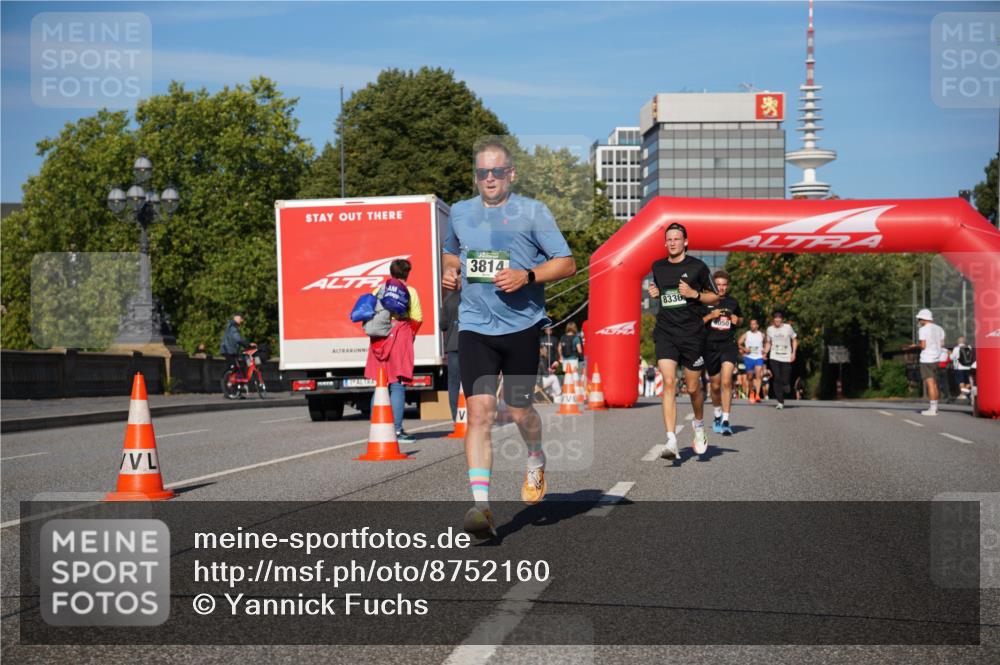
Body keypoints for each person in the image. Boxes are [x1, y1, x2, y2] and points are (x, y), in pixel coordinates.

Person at [442, 140, 575, 538]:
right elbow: (452, 252)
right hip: (475, 326)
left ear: (511, 174)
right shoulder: (461, 212)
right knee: (479, 413)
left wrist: (527, 276)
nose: (489, 180)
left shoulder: (533, 212)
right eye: (482, 173)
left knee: (519, 411)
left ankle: (535, 457)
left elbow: (567, 263)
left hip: (521, 325)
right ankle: (481, 508)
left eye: (497, 172)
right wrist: (452, 272)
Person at [647, 222, 719, 460]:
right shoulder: (657, 266)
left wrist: (694, 294)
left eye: (677, 239)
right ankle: (671, 440)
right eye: (669, 239)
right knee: (668, 382)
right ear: (665, 242)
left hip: (692, 334)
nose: (672, 242)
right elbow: (662, 294)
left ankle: (699, 425)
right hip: (666, 331)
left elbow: (714, 298)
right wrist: (655, 294)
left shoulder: (697, 267)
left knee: (692, 388)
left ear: (685, 242)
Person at [365, 259, 423, 442]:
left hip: (379, 340)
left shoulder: (379, 290)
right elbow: (417, 317)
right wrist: (409, 336)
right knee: (397, 384)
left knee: (381, 384)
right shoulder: (410, 291)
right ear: (408, 273)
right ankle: (397, 431)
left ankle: (377, 426)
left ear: (391, 272)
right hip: (399, 338)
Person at [701, 270, 743, 436]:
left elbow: (741, 320)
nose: (722, 287)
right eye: (718, 284)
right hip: (710, 347)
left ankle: (726, 420)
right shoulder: (705, 301)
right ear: (712, 285)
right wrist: (711, 315)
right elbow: (697, 323)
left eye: (724, 285)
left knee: (727, 381)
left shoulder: (733, 302)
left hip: (728, 345)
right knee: (715, 386)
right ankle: (717, 414)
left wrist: (736, 320)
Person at [914, 309, 945, 416]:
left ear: (923, 319)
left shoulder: (923, 330)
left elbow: (923, 346)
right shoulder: (940, 329)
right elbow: (941, 344)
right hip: (937, 358)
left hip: (927, 359)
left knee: (930, 384)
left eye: (919, 319)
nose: (919, 321)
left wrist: (914, 346)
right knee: (935, 384)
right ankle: (935, 407)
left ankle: (932, 410)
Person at [763, 311, 797, 410]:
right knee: (777, 378)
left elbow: (794, 339)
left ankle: (786, 384)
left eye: (779, 318)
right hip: (774, 357)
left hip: (786, 357)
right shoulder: (770, 329)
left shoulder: (788, 328)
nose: (777, 319)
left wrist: (793, 353)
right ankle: (780, 401)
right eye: (775, 318)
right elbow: (768, 343)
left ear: (782, 319)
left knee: (785, 378)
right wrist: (765, 352)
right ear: (773, 319)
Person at [441, 288, 462, 420]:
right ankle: (476, 416)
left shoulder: (448, 299)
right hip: (473, 344)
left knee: (454, 382)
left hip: (453, 345)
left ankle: (456, 416)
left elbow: (442, 325)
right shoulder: (475, 297)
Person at [739, 319, 766, 403]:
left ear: (757, 326)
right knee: (750, 377)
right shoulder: (746, 334)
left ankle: (757, 395)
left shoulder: (762, 335)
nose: (752, 326)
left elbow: (766, 343)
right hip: (749, 357)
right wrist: (744, 349)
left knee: (758, 376)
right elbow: (738, 343)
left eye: (754, 324)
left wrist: (764, 351)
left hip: (758, 357)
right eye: (751, 324)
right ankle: (751, 392)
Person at [219, 312, 249, 377]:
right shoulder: (233, 326)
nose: (242, 320)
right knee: (233, 366)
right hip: (228, 350)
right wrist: (247, 344)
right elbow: (237, 339)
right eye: (241, 318)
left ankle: (235, 381)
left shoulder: (231, 325)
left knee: (236, 366)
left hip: (229, 350)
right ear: (236, 317)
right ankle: (229, 381)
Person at [950, 335, 974, 400]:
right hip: (969, 367)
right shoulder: (969, 347)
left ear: (958, 341)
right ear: (964, 341)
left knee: (961, 381)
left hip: (959, 367)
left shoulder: (956, 348)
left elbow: (952, 357)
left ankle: (963, 394)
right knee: (968, 381)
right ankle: (966, 392)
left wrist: (950, 354)